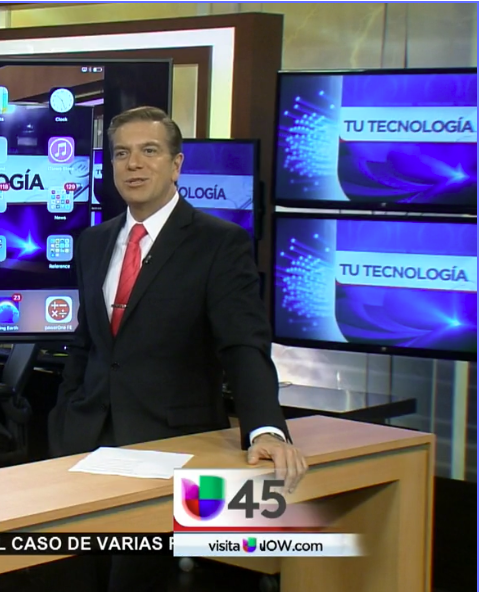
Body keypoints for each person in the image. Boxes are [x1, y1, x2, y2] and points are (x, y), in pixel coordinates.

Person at [48, 106, 308, 591]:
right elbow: (86, 342)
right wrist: (65, 414)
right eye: (122, 154)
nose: (134, 165)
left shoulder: (219, 243)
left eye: (149, 152)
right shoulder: (93, 241)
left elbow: (243, 345)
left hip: (169, 444)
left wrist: (266, 430)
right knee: (72, 575)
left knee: (135, 582)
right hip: (85, 442)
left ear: (176, 164)